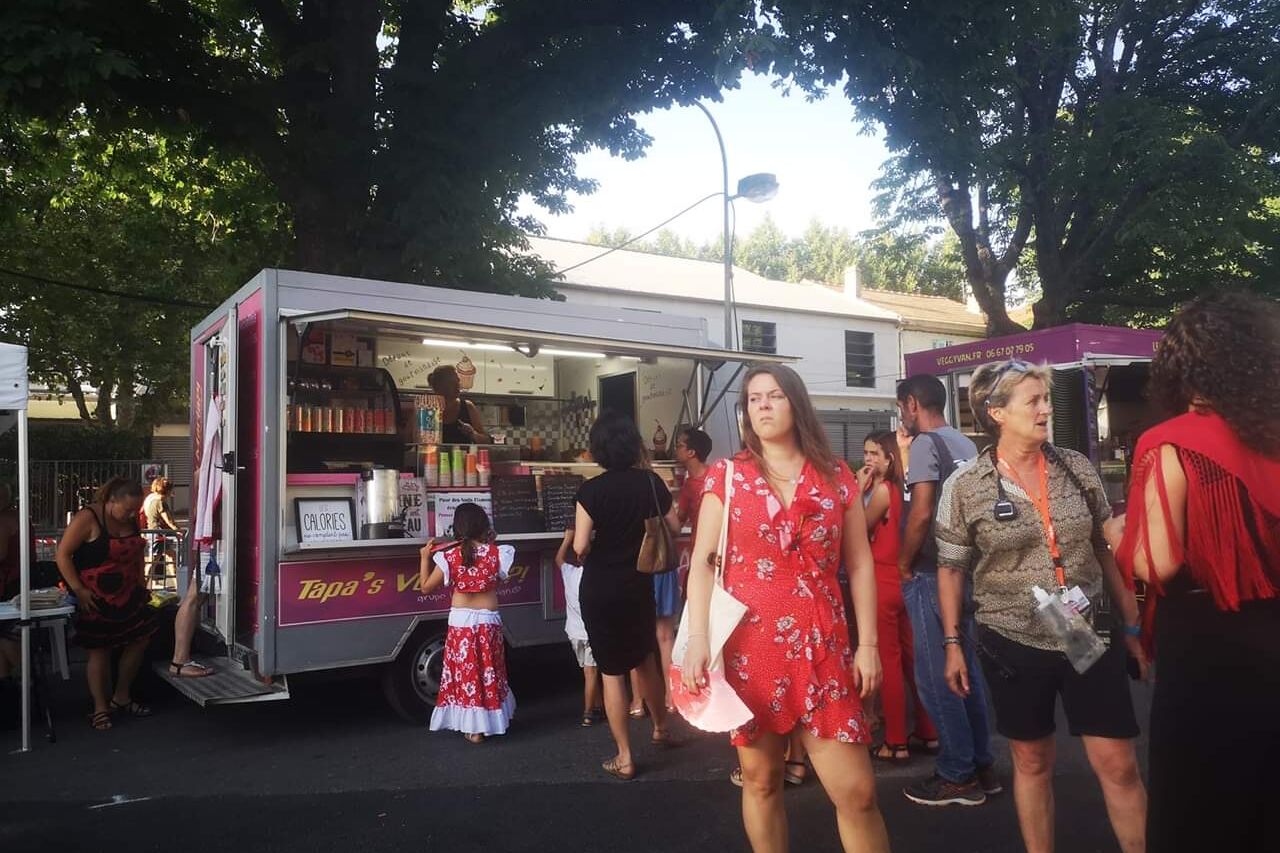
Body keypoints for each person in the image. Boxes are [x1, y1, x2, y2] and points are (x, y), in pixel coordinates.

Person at [939, 360, 1148, 853]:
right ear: (996, 412)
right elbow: (950, 569)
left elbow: (1103, 548)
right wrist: (951, 642)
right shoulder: (966, 485)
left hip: (1087, 629)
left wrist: (1134, 627)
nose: (1045, 409)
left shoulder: (1076, 467)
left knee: (1118, 762)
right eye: (1032, 400)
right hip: (1010, 638)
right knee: (1031, 761)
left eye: (1045, 398)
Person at [682, 364, 888, 853]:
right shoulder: (727, 476)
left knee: (858, 793)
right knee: (761, 781)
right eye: (754, 399)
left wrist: (869, 645)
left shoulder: (836, 475)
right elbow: (703, 564)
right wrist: (696, 641)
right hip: (750, 650)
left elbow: (860, 564)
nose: (764, 406)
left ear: (796, 403)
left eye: (774, 396)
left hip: (825, 647)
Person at [1104, 292, 1280, 853]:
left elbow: (1157, 562)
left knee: (1202, 798)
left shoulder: (1169, 441)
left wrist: (1116, 536)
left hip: (1206, 644)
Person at [895, 374, 998, 806]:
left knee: (936, 674)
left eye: (903, 406)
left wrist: (903, 563)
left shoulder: (924, 444)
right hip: (966, 568)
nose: (902, 414)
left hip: (930, 572)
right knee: (966, 670)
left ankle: (956, 774)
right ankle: (981, 763)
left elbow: (920, 512)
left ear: (913, 404)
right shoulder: (965, 445)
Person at [573, 410, 681, 780]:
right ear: (633, 444)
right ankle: (660, 729)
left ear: (598, 449)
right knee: (645, 660)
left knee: (611, 671)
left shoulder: (590, 491)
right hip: (638, 585)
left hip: (600, 588)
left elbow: (581, 546)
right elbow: (675, 525)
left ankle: (624, 756)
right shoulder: (651, 483)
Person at [54, 477, 160, 731]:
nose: (130, 515)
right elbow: (63, 554)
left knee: (140, 639)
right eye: (126, 510)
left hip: (129, 592)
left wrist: (142, 584)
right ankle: (100, 707)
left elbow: (135, 556)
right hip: (95, 594)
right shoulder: (87, 518)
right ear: (111, 501)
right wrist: (78, 590)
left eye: (135, 510)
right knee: (98, 650)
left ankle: (121, 695)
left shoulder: (130, 519)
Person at [858, 431, 937, 763]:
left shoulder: (883, 491)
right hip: (909, 579)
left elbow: (857, 528)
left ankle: (895, 740)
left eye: (875, 453)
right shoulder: (914, 489)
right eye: (866, 453)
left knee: (888, 662)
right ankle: (929, 732)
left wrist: (856, 489)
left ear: (890, 458)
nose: (868, 459)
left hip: (883, 580)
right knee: (913, 661)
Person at [418, 502, 515, 743]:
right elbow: (502, 577)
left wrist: (424, 558)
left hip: (461, 622)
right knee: (488, 672)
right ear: (484, 526)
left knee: (466, 674)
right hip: (488, 620)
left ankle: (474, 729)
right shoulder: (497, 553)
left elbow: (426, 587)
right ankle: (490, 721)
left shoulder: (449, 556)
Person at [556, 526, 603, 727]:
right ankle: (587, 713)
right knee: (591, 673)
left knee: (589, 670)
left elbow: (558, 560)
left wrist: (567, 539)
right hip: (591, 632)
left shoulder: (570, 573)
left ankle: (598, 706)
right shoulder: (598, 579)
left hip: (574, 633)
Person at [428, 365, 491, 445]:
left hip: (462, 457)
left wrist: (473, 434)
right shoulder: (427, 409)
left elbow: (486, 441)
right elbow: (408, 439)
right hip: (433, 457)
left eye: (458, 381)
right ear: (440, 386)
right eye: (452, 383)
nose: (458, 386)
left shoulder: (467, 407)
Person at [141, 477, 180, 585]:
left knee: (171, 556)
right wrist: (178, 531)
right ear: (167, 490)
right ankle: (143, 585)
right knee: (153, 561)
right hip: (159, 534)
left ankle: (176, 584)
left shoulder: (150, 498)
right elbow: (169, 521)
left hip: (153, 533)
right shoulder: (160, 502)